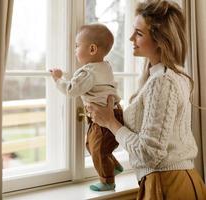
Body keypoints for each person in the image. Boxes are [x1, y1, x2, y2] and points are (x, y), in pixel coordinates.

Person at [86, 0, 206, 199]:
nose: (131, 37)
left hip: (169, 185)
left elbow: (150, 153)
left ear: (161, 40)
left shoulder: (163, 81)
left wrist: (110, 122)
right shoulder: (163, 76)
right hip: (169, 181)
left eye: (139, 33)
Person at [50, 23, 124, 191]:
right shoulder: (105, 66)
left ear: (92, 49)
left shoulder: (88, 72)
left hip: (104, 118)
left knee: (98, 149)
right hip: (114, 112)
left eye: (77, 46)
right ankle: (114, 166)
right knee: (93, 146)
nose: (75, 50)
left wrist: (58, 78)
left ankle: (108, 181)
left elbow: (71, 90)